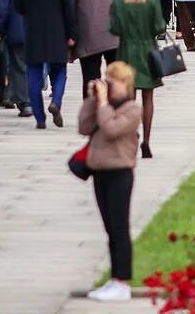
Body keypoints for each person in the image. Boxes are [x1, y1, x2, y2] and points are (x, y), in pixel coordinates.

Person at [77, 60, 141, 303]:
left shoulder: (132, 109)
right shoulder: (104, 105)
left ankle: (122, 282)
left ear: (124, 84)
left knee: (119, 228)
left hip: (120, 173)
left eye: (111, 82)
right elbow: (84, 127)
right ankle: (114, 279)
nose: (108, 86)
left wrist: (103, 103)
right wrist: (92, 100)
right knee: (109, 228)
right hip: (100, 172)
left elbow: (112, 128)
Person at [12, 0, 77, 129]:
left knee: (33, 73)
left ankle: (40, 118)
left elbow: (18, 6)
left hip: (32, 31)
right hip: (57, 32)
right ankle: (56, 101)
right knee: (59, 71)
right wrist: (72, 34)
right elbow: (68, 9)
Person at [107, 0, 165, 157]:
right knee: (148, 98)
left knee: (127, 100)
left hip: (125, 52)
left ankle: (130, 138)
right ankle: (147, 141)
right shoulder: (152, 0)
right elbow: (159, 27)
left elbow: (113, 28)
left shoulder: (119, 0)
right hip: (148, 51)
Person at [70, 0, 122, 96]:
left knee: (90, 78)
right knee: (117, 76)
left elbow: (70, 13)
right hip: (115, 35)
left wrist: (71, 38)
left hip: (88, 39)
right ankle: (116, 105)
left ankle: (93, 111)